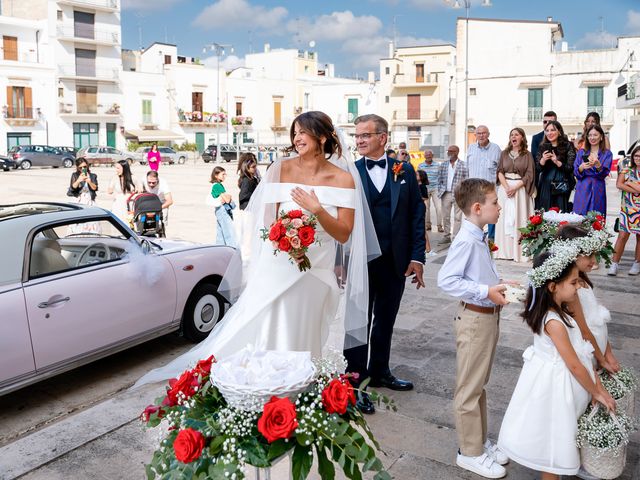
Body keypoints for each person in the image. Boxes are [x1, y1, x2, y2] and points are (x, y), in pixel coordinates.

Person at [135, 111, 377, 388]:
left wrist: (318, 210)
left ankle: (298, 391)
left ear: (322, 137)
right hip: (280, 267)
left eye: (303, 132)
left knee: (304, 332)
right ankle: (263, 387)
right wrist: (286, 241)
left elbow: (344, 234)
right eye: (294, 132)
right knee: (271, 328)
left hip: (316, 275)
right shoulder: (281, 169)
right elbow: (268, 222)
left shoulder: (343, 179)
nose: (297, 138)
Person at [498, 251, 615, 480]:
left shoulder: (562, 309)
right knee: (553, 446)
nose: (578, 287)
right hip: (554, 388)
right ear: (552, 286)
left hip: (565, 382)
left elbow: (582, 352)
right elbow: (573, 364)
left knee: (562, 438)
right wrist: (596, 392)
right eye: (573, 282)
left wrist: (597, 385)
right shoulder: (554, 322)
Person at [345, 113, 425, 415]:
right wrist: (342, 262)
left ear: (383, 137)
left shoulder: (404, 170)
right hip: (360, 262)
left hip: (396, 260)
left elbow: (417, 214)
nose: (360, 141)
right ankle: (355, 384)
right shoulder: (349, 173)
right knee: (357, 324)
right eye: (357, 136)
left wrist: (417, 257)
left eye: (365, 135)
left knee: (386, 319)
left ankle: (380, 371)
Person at [438, 178, 509, 479]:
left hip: (487, 316)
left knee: (479, 384)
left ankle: (479, 440)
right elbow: (447, 279)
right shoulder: (466, 239)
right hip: (475, 320)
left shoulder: (477, 234)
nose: (500, 207)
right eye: (495, 202)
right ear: (478, 208)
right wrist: (485, 291)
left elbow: (480, 273)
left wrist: (500, 286)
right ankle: (469, 452)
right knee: (468, 389)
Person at [556, 225, 620, 373]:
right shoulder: (572, 290)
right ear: (572, 254)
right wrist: (602, 359)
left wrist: (608, 352)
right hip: (589, 350)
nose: (594, 260)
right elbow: (584, 330)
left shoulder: (582, 278)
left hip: (598, 345)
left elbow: (596, 316)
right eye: (589, 255)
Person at [495, 128, 535, 262]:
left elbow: (529, 174)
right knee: (504, 219)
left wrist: (515, 188)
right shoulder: (504, 153)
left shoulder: (527, 155)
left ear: (522, 138)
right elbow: (500, 171)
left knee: (520, 219)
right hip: (505, 190)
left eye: (516, 135)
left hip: (520, 190)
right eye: (511, 134)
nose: (513, 137)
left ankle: (520, 253)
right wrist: (507, 188)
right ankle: (505, 252)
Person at [608, 144, 640, 276]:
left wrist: (629, 183)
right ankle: (614, 264)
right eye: (636, 155)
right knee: (622, 236)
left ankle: (637, 264)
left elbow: (625, 184)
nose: (638, 158)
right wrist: (636, 188)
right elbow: (618, 184)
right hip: (627, 209)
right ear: (632, 157)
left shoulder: (628, 175)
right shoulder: (626, 170)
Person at [466, 125, 501, 240]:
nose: (481, 135)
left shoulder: (496, 149)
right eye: (479, 133)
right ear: (475, 135)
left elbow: (500, 170)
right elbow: (468, 168)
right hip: (474, 189)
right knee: (475, 213)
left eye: (484, 133)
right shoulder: (471, 148)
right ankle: (475, 236)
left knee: (490, 213)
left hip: (490, 189)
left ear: (488, 134)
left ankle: (491, 239)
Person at [534, 120, 576, 212]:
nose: (549, 133)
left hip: (561, 185)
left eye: (552, 130)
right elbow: (537, 169)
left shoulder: (568, 145)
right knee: (545, 213)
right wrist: (543, 160)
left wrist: (557, 162)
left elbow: (571, 167)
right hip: (545, 185)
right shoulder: (542, 147)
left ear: (559, 131)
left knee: (561, 214)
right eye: (547, 130)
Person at [572, 124, 612, 216]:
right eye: (590, 135)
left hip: (598, 187)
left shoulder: (607, 154)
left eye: (595, 135)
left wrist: (598, 166)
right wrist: (581, 167)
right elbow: (575, 172)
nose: (592, 138)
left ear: (601, 137)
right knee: (580, 216)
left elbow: (604, 173)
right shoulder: (581, 152)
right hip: (583, 187)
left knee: (597, 217)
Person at [437, 145, 468, 244]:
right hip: (446, 193)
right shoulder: (443, 165)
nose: (449, 152)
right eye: (448, 151)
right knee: (445, 216)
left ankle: (455, 237)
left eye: (451, 151)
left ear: (457, 152)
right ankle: (446, 236)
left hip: (458, 193)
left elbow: (466, 180)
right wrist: (440, 190)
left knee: (458, 217)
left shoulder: (464, 165)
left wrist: (464, 192)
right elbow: (439, 178)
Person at [236, 154, 260, 260]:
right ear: (247, 167)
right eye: (253, 167)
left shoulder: (252, 179)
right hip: (248, 210)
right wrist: (255, 197)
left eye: (255, 167)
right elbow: (242, 196)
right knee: (248, 235)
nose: (255, 169)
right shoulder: (246, 180)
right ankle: (246, 256)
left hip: (252, 210)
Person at [67, 158, 101, 234]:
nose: (83, 169)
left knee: (91, 221)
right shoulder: (75, 175)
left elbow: (95, 188)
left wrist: (89, 181)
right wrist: (78, 180)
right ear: (77, 167)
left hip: (89, 201)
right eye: (81, 167)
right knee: (78, 222)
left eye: (85, 167)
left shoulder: (93, 176)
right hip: (79, 200)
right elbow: (72, 188)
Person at [210, 166, 237, 247]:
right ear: (216, 175)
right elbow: (227, 199)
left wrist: (227, 196)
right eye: (223, 174)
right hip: (222, 210)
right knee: (229, 231)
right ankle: (232, 249)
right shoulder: (217, 186)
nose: (225, 176)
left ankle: (220, 248)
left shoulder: (219, 185)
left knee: (220, 233)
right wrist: (229, 196)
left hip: (220, 210)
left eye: (225, 174)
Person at [418, 150, 443, 232]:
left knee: (439, 207)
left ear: (433, 155)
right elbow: (418, 178)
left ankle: (439, 226)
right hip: (425, 189)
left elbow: (441, 177)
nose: (428, 156)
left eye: (430, 155)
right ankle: (428, 225)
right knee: (426, 208)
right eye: (427, 155)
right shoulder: (421, 166)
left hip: (436, 188)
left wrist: (441, 188)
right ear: (424, 156)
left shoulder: (437, 165)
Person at [416, 169, 436, 257]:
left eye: (416, 174)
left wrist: (415, 197)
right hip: (417, 207)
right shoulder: (416, 185)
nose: (414, 175)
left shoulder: (422, 186)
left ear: (421, 177)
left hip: (419, 208)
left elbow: (425, 197)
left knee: (422, 229)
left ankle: (428, 249)